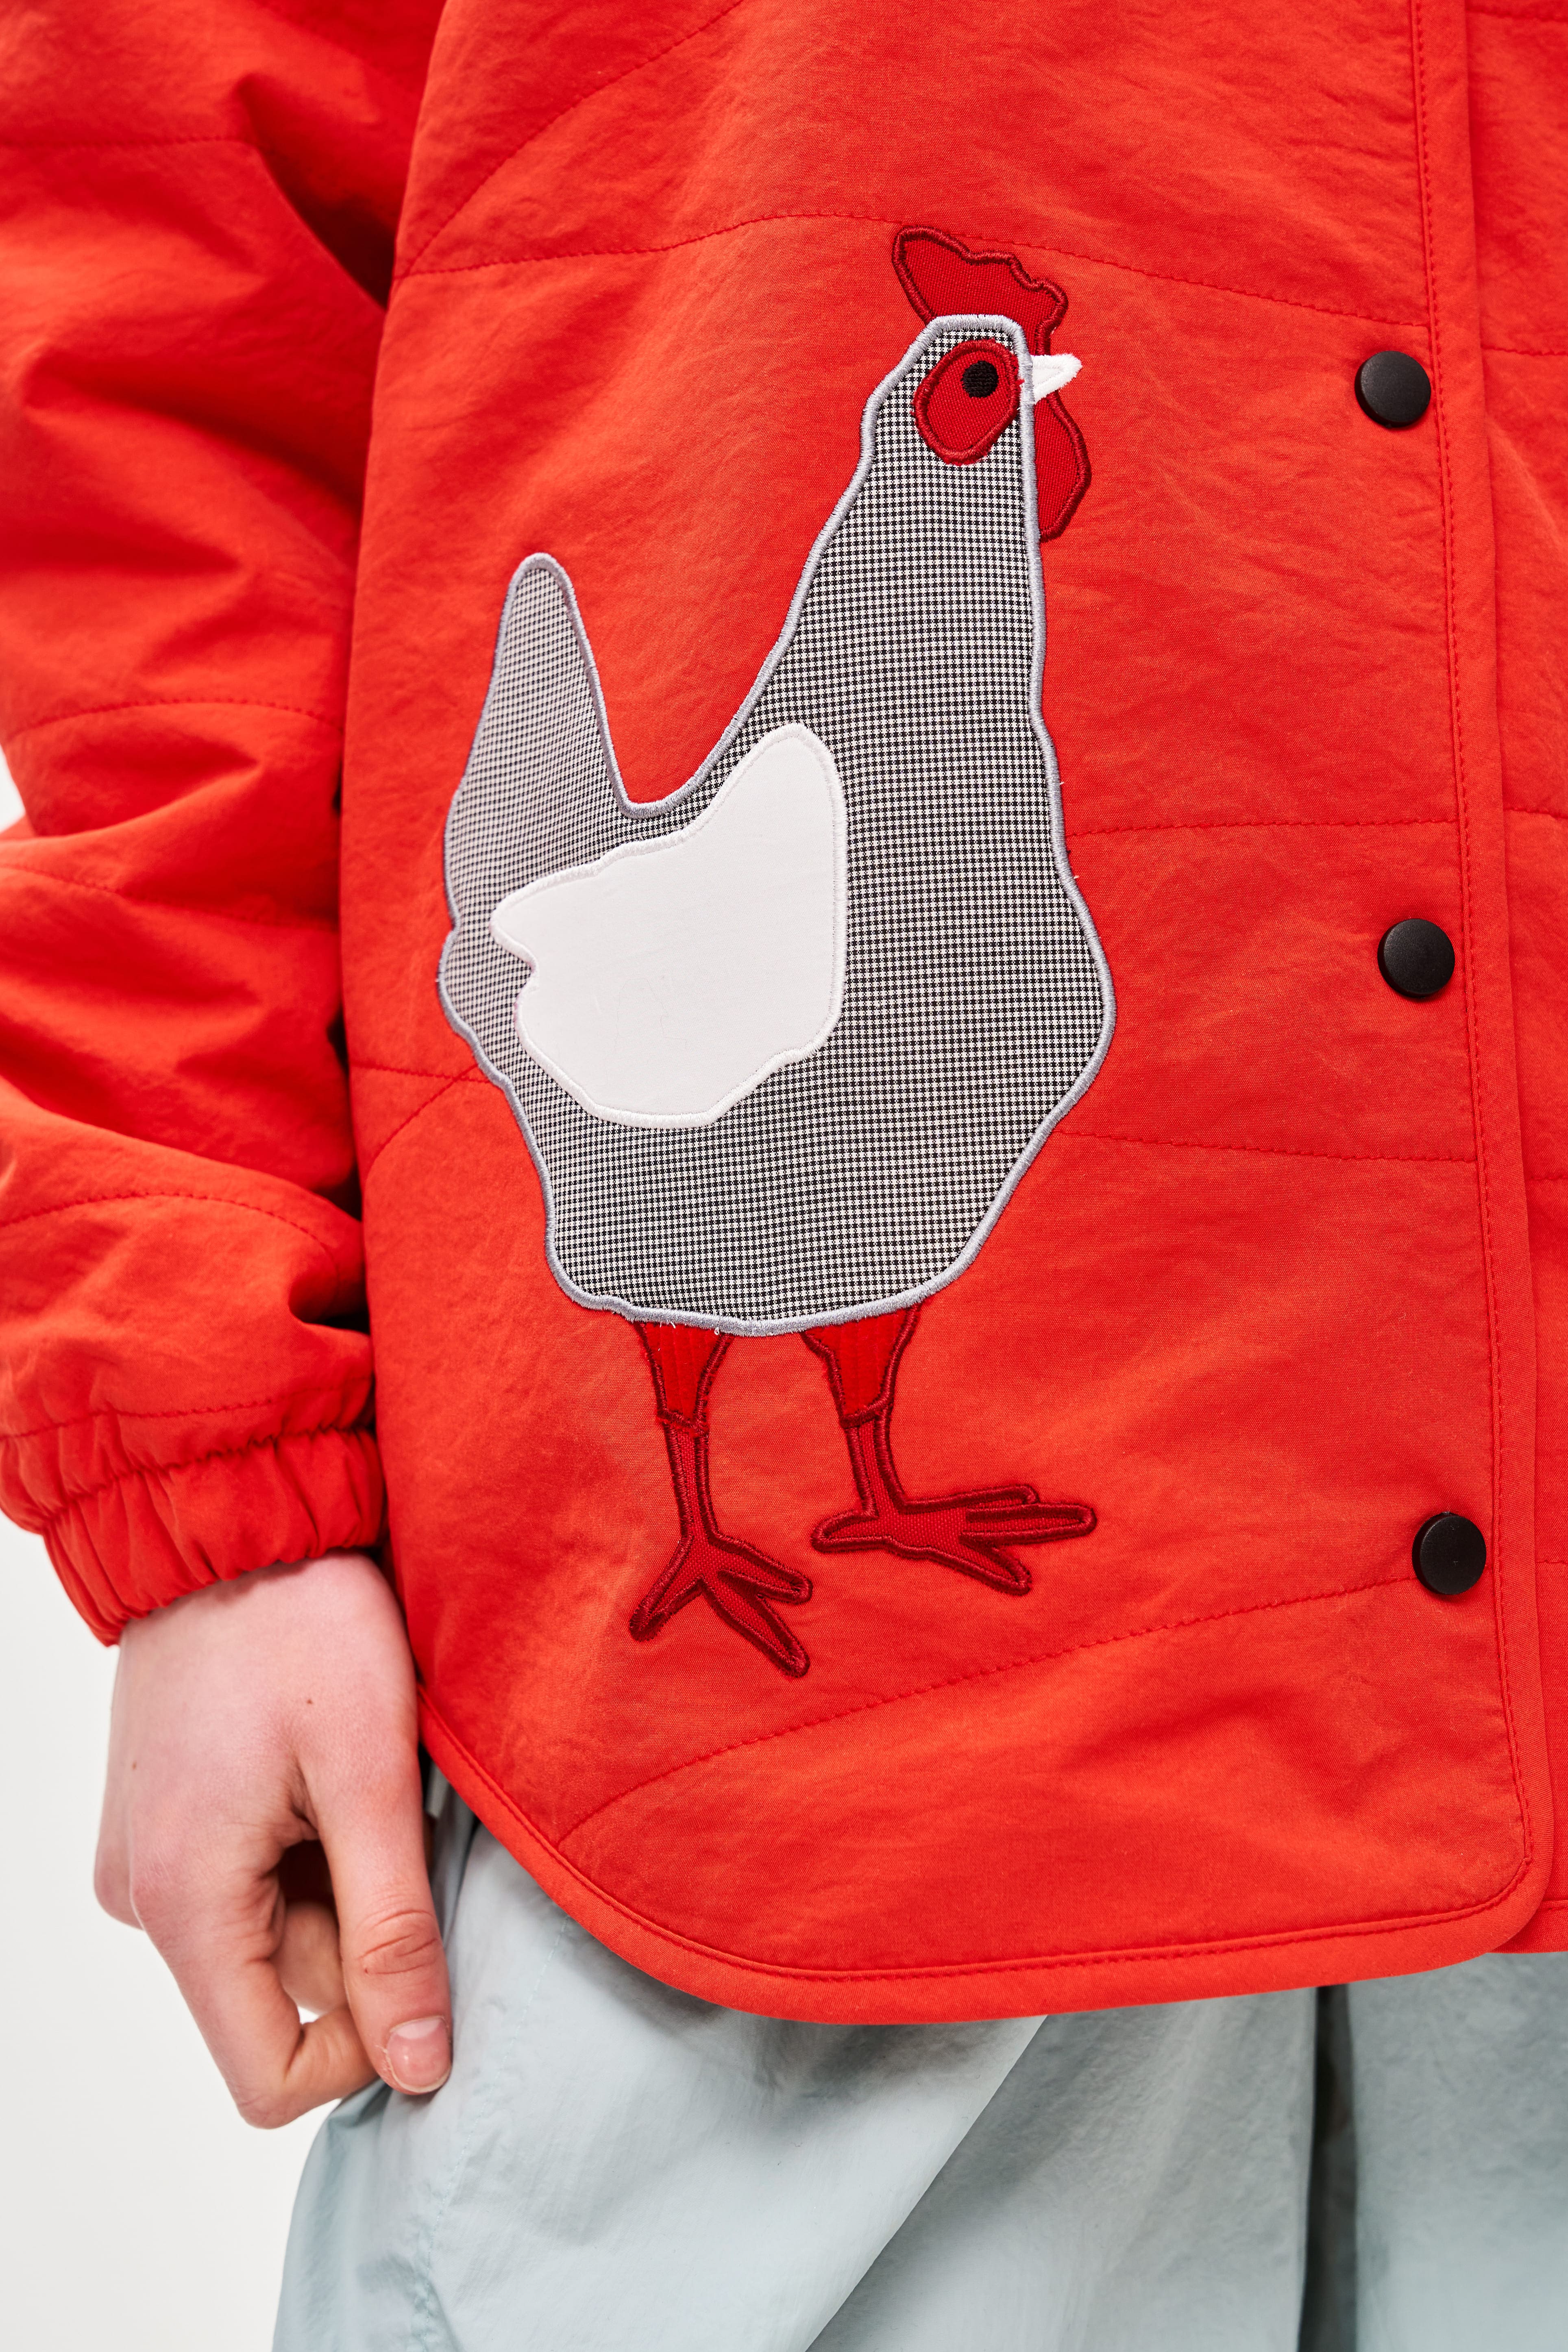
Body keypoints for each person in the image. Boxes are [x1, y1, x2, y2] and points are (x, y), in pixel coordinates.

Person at [3, 2, 1567, 2344]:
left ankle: (871, 1465)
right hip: (800, 1819)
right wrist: (215, 1486)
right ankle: (742, 1495)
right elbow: (170, 352)